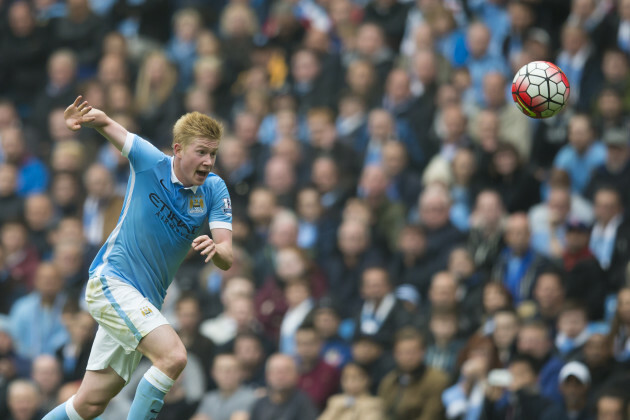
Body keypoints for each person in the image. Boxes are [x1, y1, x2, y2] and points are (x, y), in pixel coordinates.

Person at [42, 95, 233, 420]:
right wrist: (83, 117)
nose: (208, 161)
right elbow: (107, 124)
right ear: (178, 149)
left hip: (144, 302)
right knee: (173, 356)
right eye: (201, 152)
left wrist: (217, 252)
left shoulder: (214, 190)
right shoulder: (149, 161)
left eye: (213, 153)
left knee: (88, 404)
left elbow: (227, 253)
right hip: (112, 282)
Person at [318, 362, 386, 420]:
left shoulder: (374, 403)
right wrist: (335, 410)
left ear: (367, 379)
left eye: (355, 378)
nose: (350, 382)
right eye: (346, 378)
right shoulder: (335, 401)